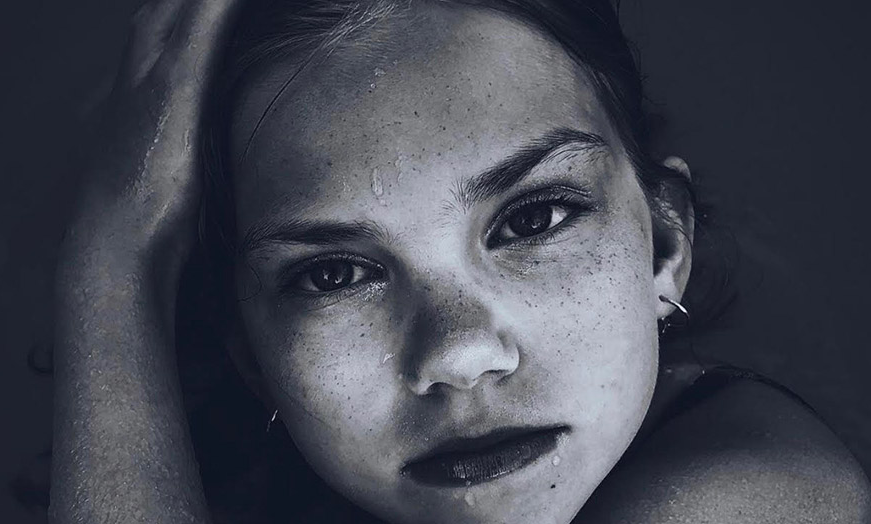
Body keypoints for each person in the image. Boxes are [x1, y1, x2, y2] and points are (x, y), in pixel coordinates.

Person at [49, 0, 871, 522]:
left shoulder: (755, 503)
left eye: (534, 218)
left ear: (664, 243)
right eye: (335, 274)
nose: (457, 353)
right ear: (251, 356)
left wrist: (114, 266)